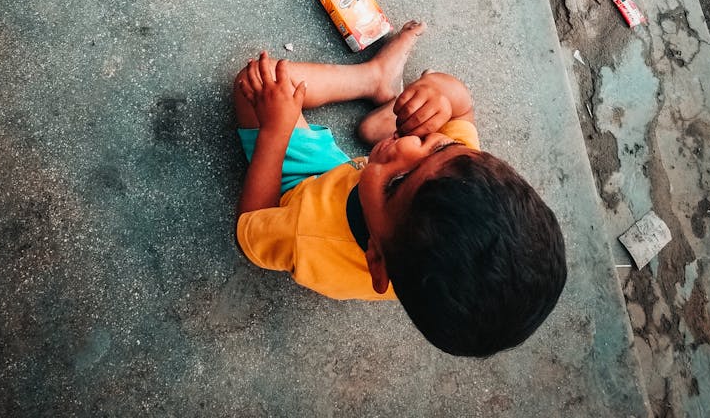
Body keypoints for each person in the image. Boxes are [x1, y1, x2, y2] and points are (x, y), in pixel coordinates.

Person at [234, 21, 566, 356]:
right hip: (350, 180)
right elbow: (463, 106)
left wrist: (275, 131)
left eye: (396, 184)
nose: (408, 146)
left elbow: (252, 221)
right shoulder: (458, 180)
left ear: (377, 259)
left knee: (257, 85)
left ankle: (374, 81)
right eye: (437, 146)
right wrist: (439, 93)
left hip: (299, 192)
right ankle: (380, 88)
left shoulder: (305, 237)